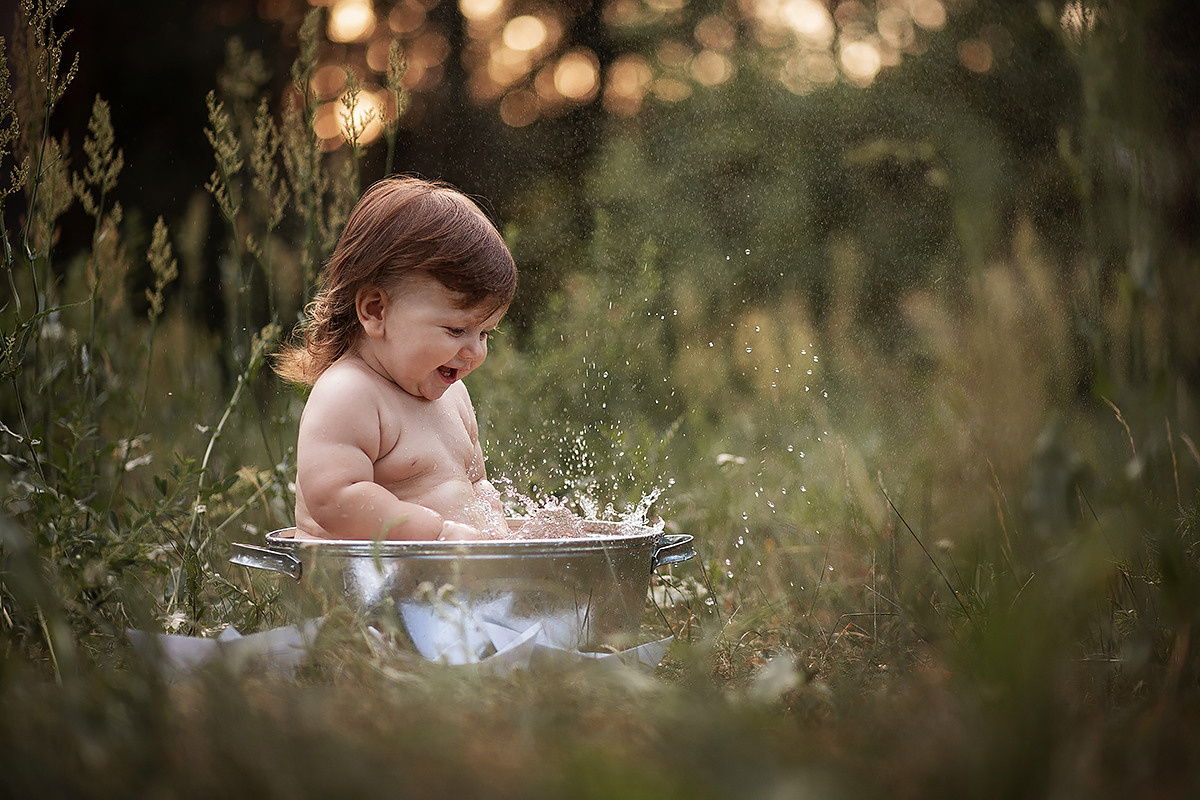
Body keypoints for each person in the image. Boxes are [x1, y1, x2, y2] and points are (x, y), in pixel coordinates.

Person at [274, 176, 516, 541]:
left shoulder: (454, 397)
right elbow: (333, 499)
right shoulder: (350, 392)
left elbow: (477, 483)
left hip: (445, 582)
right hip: (364, 588)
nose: (476, 351)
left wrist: (498, 532)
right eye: (455, 330)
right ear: (376, 312)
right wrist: (439, 535)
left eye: (485, 334)